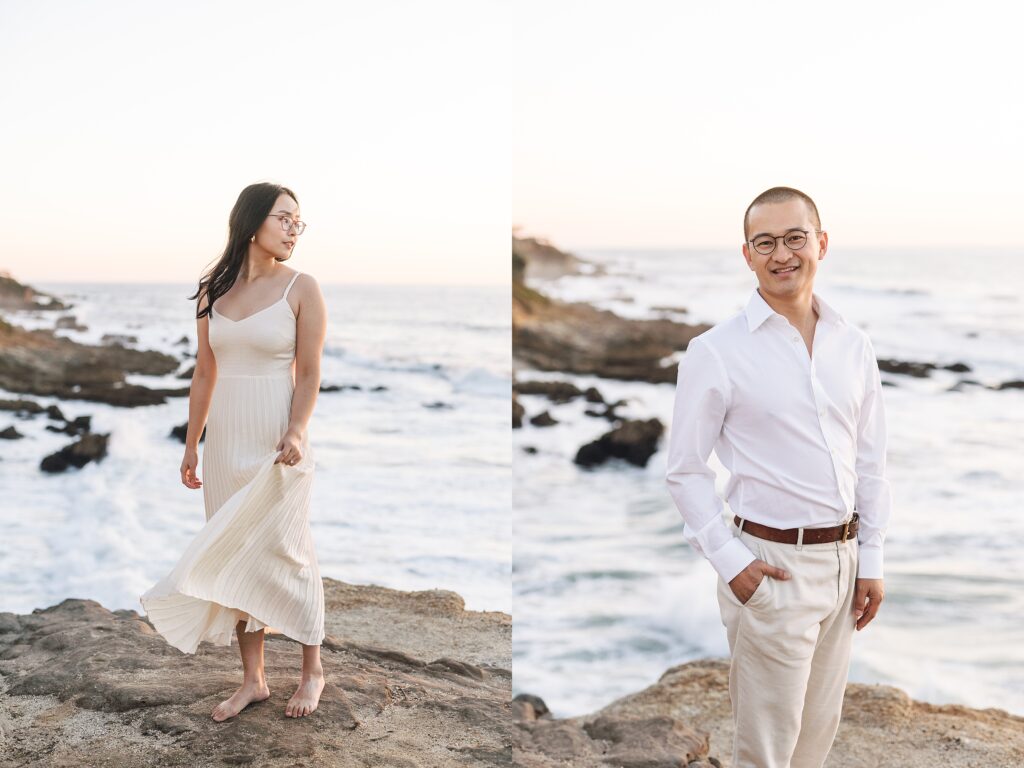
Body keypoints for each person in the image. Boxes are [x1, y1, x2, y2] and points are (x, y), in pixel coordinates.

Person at [664, 186, 891, 767]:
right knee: (764, 754)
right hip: (770, 568)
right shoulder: (715, 351)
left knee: (813, 744)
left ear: (821, 243)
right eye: (765, 242)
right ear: (747, 255)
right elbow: (685, 471)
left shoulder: (854, 345)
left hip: (843, 568)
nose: (781, 253)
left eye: (795, 237)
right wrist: (732, 563)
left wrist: (871, 560)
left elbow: (871, 462)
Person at [140, 182, 330, 721]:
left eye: (299, 221)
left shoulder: (302, 287)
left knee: (288, 550)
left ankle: (312, 669)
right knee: (234, 552)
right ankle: (254, 680)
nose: (295, 228)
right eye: (285, 218)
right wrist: (192, 443)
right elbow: (205, 370)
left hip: (278, 434)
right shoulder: (211, 289)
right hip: (226, 435)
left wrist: (296, 430)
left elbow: (311, 371)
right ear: (252, 223)